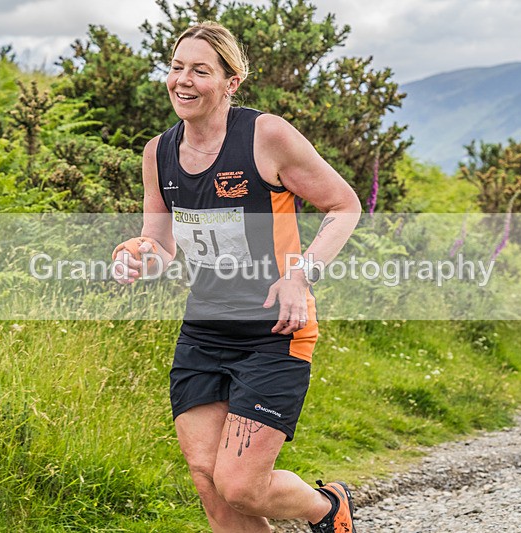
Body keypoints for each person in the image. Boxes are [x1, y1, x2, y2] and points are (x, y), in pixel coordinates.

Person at [113, 21, 361, 533]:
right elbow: (159, 244)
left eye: (201, 71)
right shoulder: (158, 152)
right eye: (177, 67)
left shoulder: (265, 137)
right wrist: (136, 253)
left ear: (231, 82)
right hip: (204, 330)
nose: (184, 80)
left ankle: (327, 509)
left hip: (275, 331)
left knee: (242, 485)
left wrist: (301, 273)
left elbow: (344, 205)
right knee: (208, 479)